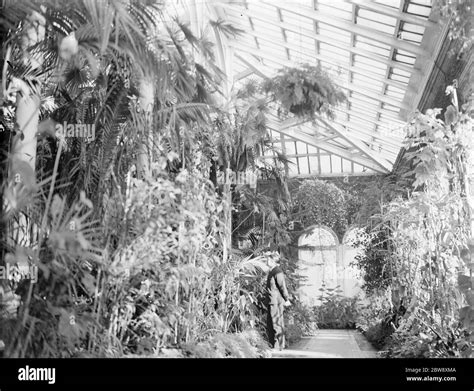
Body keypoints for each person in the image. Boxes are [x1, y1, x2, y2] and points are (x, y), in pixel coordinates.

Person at [265, 252, 291, 351]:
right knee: (271, 324)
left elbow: (282, 286)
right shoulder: (272, 271)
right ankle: (272, 344)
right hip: (271, 301)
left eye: (268, 259)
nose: (266, 261)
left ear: (272, 261)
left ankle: (279, 345)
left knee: (276, 323)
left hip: (276, 302)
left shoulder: (277, 271)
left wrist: (287, 299)